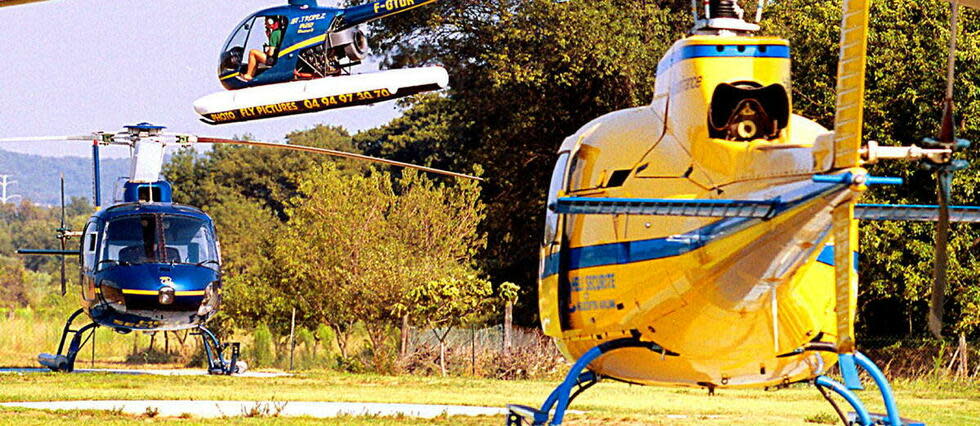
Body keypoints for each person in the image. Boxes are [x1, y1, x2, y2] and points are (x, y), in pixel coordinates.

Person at [240, 17, 283, 81]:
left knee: (252, 52)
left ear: (270, 22)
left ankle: (249, 75)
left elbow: (271, 53)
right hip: (277, 57)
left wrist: (266, 53)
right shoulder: (279, 32)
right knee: (258, 55)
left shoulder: (275, 33)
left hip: (273, 60)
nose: (265, 24)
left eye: (266, 22)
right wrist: (269, 37)